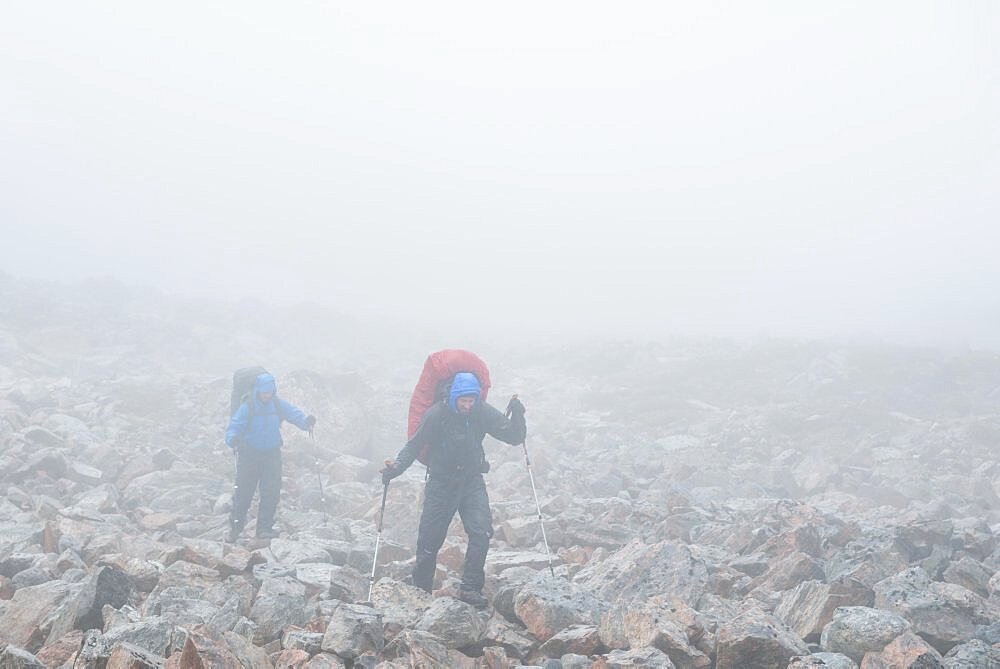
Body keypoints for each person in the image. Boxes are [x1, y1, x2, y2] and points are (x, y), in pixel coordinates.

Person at [380, 372, 526, 608]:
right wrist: (394, 470)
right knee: (430, 540)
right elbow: (414, 445)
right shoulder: (437, 414)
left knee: (481, 532)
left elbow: (514, 436)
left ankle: (470, 589)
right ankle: (421, 591)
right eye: (463, 401)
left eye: (471, 401)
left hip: (471, 481)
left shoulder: (480, 410)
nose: (467, 406)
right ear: (454, 397)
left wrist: (518, 413)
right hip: (441, 482)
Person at [224, 372, 315, 542]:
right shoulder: (248, 406)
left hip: (272, 453)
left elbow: (293, 414)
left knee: (271, 491)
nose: (267, 395)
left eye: (270, 392)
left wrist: (306, 422)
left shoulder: (276, 403)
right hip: (249, 453)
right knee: (244, 492)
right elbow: (234, 426)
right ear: (258, 390)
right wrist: (232, 439)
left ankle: (264, 529)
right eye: (264, 392)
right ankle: (235, 530)